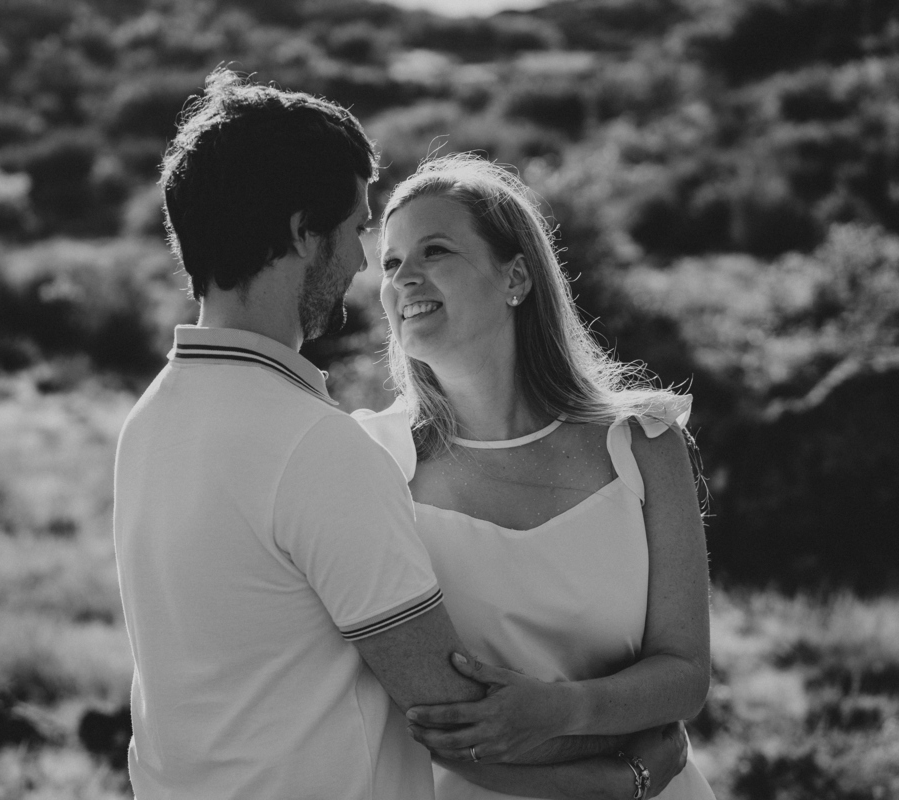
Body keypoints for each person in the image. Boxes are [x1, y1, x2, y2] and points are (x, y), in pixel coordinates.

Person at [113, 71, 686, 799]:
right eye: (359, 232)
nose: (363, 264)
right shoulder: (320, 448)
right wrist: (628, 773)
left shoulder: (150, 420)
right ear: (303, 232)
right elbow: (458, 717)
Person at [354, 153, 716, 799]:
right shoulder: (374, 462)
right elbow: (437, 725)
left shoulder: (645, 445)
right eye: (389, 262)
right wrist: (619, 775)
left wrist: (561, 711)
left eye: (434, 251)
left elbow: (685, 676)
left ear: (516, 276)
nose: (403, 278)